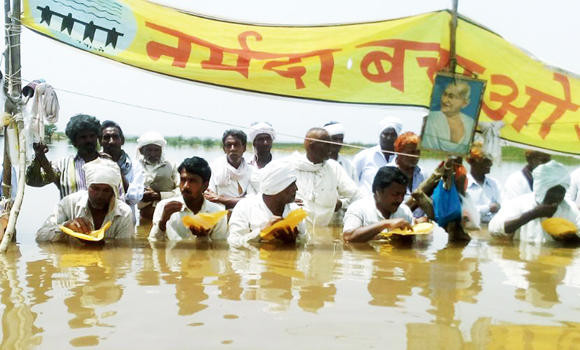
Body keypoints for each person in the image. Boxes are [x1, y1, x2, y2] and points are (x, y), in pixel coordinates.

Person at [36, 158, 133, 242]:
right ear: (88, 187)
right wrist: (65, 228)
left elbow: (122, 249)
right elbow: (40, 236)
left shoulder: (124, 213)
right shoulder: (69, 203)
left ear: (113, 192)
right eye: (95, 188)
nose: (99, 195)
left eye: (106, 190)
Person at [489, 161, 580, 243]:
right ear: (541, 189)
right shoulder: (519, 204)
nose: (557, 197)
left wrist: (571, 239)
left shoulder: (571, 210)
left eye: (561, 192)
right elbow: (494, 230)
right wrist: (533, 214)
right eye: (553, 192)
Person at [26, 114, 108, 198]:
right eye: (83, 137)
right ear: (74, 142)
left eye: (92, 136)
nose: (88, 140)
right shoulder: (62, 165)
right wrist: (39, 156)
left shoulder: (108, 164)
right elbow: (33, 181)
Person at [228, 160, 306, 246]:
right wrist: (261, 233)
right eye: (292, 184)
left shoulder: (295, 211)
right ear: (278, 187)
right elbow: (233, 242)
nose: (296, 189)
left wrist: (293, 241)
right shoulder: (245, 207)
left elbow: (304, 243)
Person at [292, 127, 360, 226]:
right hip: (298, 231)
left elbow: (356, 195)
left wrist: (341, 203)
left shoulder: (334, 168)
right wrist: (288, 201)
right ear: (311, 146)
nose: (331, 148)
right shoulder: (292, 166)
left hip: (328, 229)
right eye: (327, 144)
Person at [149, 157, 227, 241]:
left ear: (205, 185)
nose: (186, 186)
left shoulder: (217, 213)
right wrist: (162, 223)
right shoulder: (164, 207)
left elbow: (219, 249)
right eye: (183, 180)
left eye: (192, 181)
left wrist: (203, 238)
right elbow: (154, 244)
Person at [343, 166, 414, 242]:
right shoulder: (358, 208)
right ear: (378, 191)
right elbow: (348, 237)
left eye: (403, 195)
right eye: (395, 194)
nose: (400, 199)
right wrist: (385, 224)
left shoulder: (405, 212)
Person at [126, 131, 179, 221]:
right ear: (141, 150)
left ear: (161, 150)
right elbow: (127, 192)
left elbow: (181, 192)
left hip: (169, 217)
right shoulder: (135, 167)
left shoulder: (172, 165)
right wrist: (141, 195)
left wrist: (159, 196)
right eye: (149, 150)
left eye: (156, 150)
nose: (153, 154)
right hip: (144, 218)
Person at [205, 129, 256, 209]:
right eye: (229, 145)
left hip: (245, 215)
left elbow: (252, 202)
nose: (232, 149)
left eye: (236, 145)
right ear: (224, 148)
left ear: (244, 148)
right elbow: (210, 198)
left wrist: (219, 198)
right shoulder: (213, 168)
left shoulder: (252, 171)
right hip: (219, 215)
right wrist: (241, 200)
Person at [421, 81, 475, 154]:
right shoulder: (432, 118)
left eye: (451, 96)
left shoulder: (470, 123)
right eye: (444, 94)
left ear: (465, 103)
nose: (444, 100)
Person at [353, 116, 402, 194]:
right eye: (385, 134)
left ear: (398, 137)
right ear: (379, 135)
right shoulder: (364, 156)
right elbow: (351, 182)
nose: (389, 138)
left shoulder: (402, 159)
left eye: (393, 135)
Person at [465, 142, 501, 223]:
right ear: (472, 161)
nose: (491, 164)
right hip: (469, 229)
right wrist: (488, 208)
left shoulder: (495, 184)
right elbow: (465, 214)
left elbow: (501, 209)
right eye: (486, 161)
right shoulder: (463, 184)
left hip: (491, 228)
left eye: (491, 160)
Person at [393, 132, 425, 217]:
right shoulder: (388, 173)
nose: (416, 156)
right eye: (411, 152)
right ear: (399, 151)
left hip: (423, 227)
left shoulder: (423, 174)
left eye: (418, 152)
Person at [100, 120, 133, 192]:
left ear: (122, 140)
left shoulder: (134, 165)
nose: (111, 141)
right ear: (100, 142)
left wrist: (114, 166)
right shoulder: (94, 163)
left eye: (115, 137)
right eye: (106, 137)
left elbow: (134, 197)